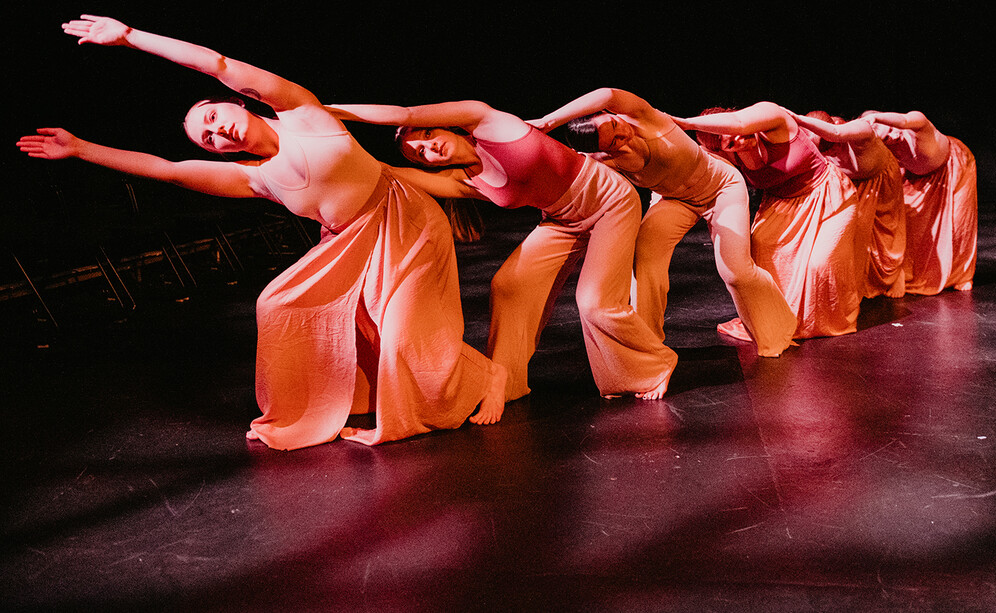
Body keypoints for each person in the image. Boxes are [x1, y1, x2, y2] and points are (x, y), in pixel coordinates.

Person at [17, 15, 506, 449]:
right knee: (278, 304)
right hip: (347, 243)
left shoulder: (301, 113)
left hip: (404, 220)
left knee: (401, 331)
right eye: (206, 139)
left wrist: (130, 37)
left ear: (237, 105)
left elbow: (219, 62)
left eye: (213, 118)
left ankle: (487, 378)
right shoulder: (253, 179)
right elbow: (165, 169)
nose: (216, 133)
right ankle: (332, 403)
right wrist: (82, 149)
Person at [325, 100, 678, 402]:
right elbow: (383, 171)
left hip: (609, 200)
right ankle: (505, 384)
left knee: (595, 301)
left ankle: (654, 364)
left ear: (444, 127)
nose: (429, 150)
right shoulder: (462, 180)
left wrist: (325, 111)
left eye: (429, 136)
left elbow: (404, 112)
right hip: (562, 220)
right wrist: (336, 151)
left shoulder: (488, 122)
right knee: (509, 286)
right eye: (420, 154)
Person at [528, 88, 795, 357]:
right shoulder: (602, 158)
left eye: (614, 125)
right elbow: (563, 173)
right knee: (644, 263)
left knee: (735, 271)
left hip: (721, 187)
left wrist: (547, 121)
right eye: (612, 143)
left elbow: (607, 93)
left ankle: (776, 332)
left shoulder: (644, 116)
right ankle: (650, 351)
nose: (622, 136)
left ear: (607, 115)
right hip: (676, 200)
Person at [674, 102, 862, 339]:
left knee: (820, 264)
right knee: (760, 249)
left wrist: (684, 123)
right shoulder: (728, 154)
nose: (737, 140)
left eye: (736, 133)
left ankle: (820, 320)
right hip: (781, 203)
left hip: (826, 196)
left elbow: (739, 124)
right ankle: (778, 316)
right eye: (729, 143)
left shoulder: (772, 118)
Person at [792, 110, 907, 298]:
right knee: (855, 235)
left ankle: (895, 273)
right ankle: (859, 280)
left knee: (887, 231)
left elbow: (836, 134)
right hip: (852, 184)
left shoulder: (856, 130)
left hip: (881, 177)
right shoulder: (812, 141)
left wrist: (796, 118)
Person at [863, 110, 977, 294]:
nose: (892, 134)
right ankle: (905, 273)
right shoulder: (883, 143)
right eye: (885, 136)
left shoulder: (916, 122)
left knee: (958, 224)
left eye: (890, 128)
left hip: (954, 166)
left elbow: (903, 119)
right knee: (908, 224)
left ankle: (962, 275)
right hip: (915, 177)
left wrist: (877, 118)